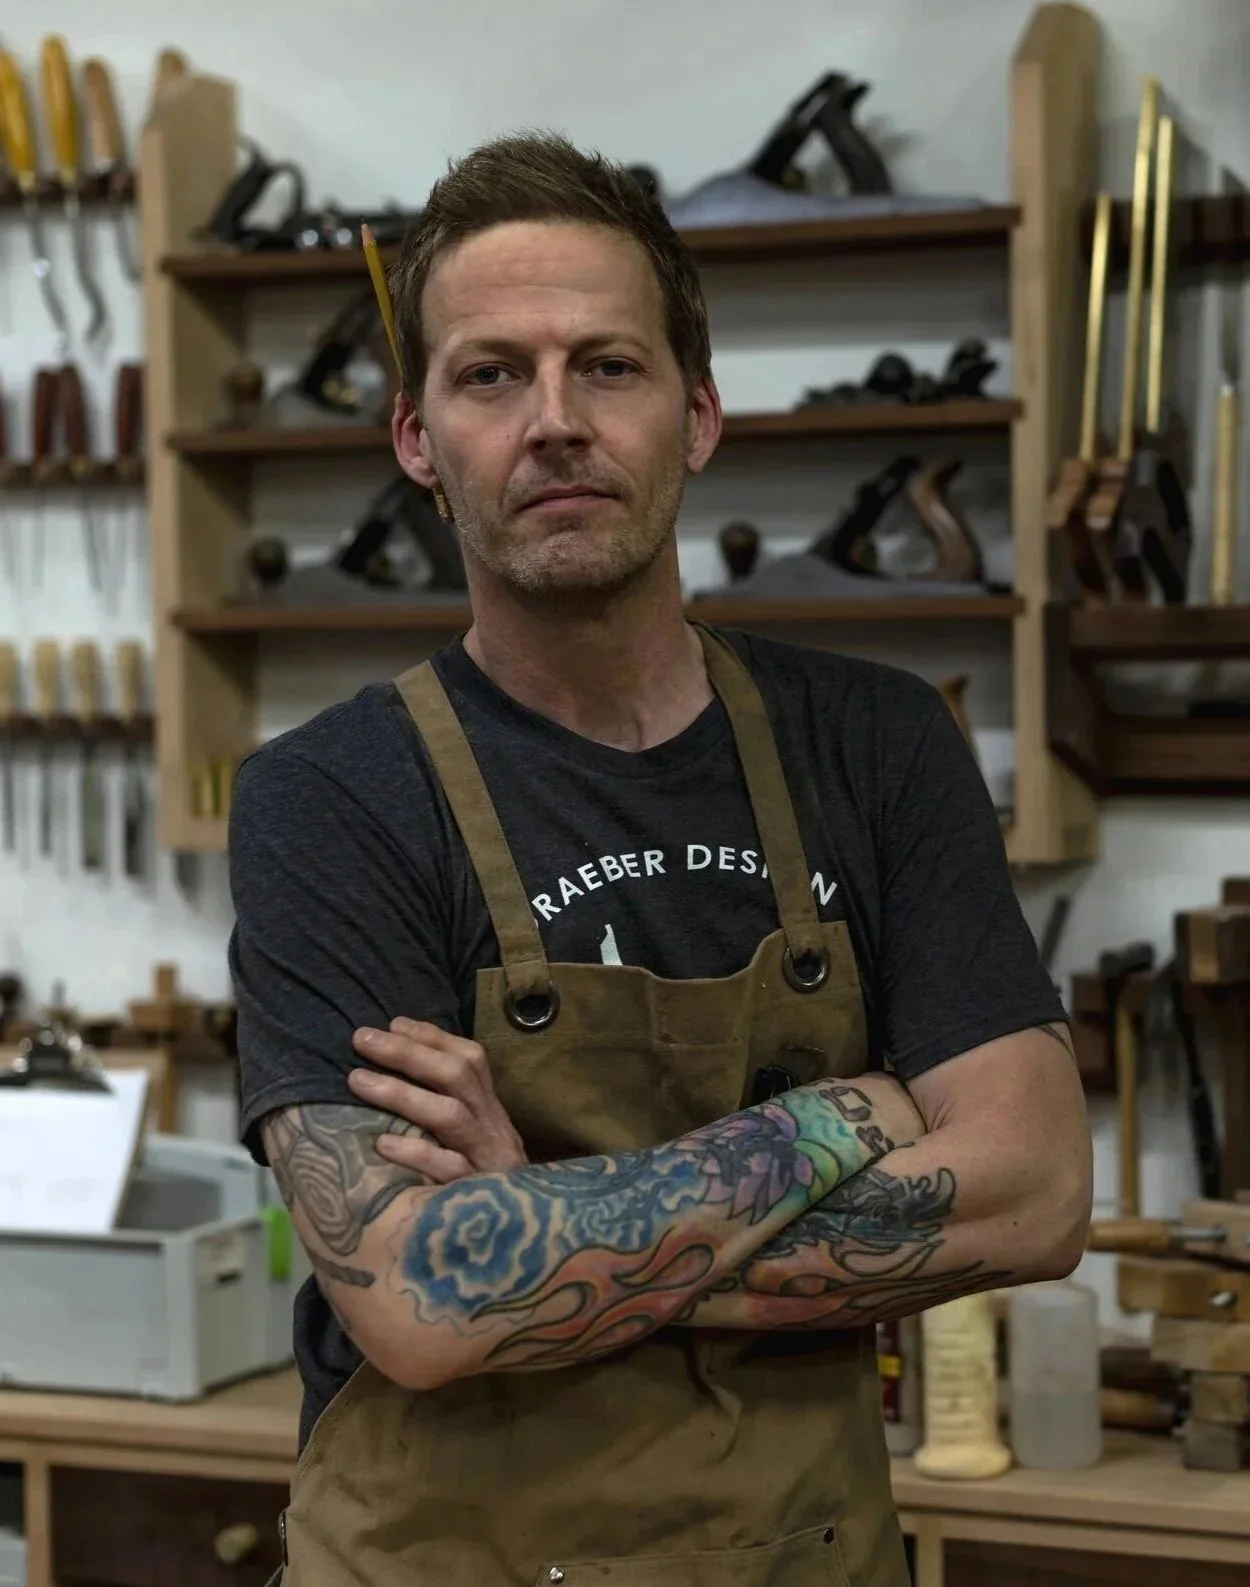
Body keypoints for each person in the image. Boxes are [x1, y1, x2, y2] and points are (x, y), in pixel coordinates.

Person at [229, 131, 1093, 1587]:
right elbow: (419, 1297)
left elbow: (1035, 1190)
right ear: (414, 440)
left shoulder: (877, 743)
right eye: (491, 373)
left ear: (695, 417)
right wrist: (837, 1119)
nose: (554, 420)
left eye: (607, 366)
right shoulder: (329, 797)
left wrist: (547, 1233)